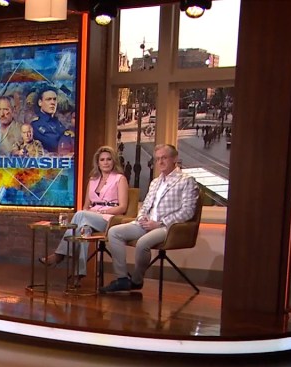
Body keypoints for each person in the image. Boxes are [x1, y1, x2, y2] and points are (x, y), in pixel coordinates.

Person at [100, 144, 198, 293]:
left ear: (174, 159)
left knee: (143, 243)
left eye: (164, 158)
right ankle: (122, 279)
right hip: (146, 223)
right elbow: (145, 206)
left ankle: (136, 280)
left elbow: (188, 211)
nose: (160, 162)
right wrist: (142, 218)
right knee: (114, 232)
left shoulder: (186, 180)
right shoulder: (155, 182)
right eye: (157, 159)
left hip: (168, 227)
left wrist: (159, 223)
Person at [39, 146, 129, 284]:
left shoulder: (119, 179)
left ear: (114, 161)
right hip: (90, 217)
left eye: (109, 159)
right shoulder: (93, 180)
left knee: (81, 215)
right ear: (98, 162)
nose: (105, 162)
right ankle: (78, 274)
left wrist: (101, 211)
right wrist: (90, 212)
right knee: (83, 229)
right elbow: (86, 206)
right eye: (102, 160)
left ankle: (59, 255)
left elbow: (122, 207)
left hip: (109, 219)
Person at [30, 88, 66, 153]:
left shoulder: (58, 122)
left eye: (54, 99)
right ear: (40, 102)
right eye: (48, 99)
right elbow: (53, 143)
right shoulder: (35, 125)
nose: (53, 102)